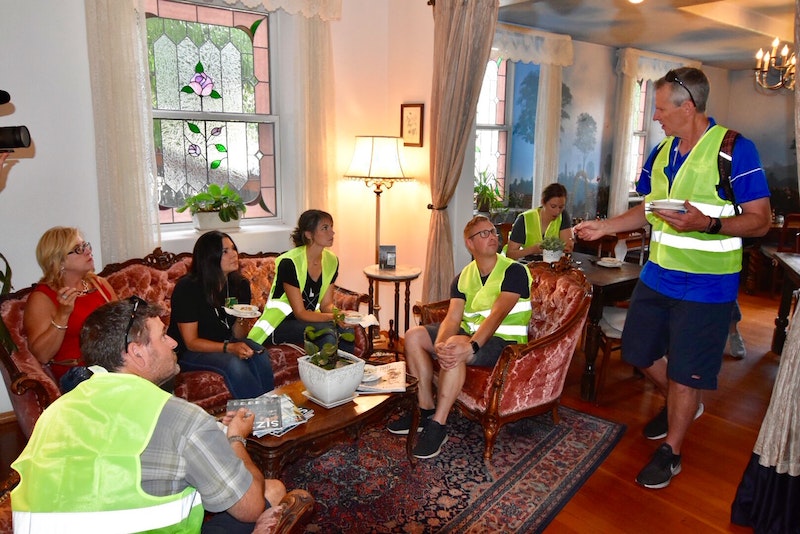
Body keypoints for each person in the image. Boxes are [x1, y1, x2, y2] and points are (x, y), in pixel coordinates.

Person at [574, 67, 771, 489]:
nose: (656, 117)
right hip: (658, 276)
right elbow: (648, 209)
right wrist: (605, 227)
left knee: (685, 373)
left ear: (689, 106)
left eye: (662, 109)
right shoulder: (662, 152)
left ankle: (673, 451)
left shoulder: (736, 149)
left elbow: (760, 221)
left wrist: (709, 224)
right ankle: (684, 403)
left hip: (708, 284)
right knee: (638, 351)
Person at [11, 297, 286, 533]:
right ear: (137, 353)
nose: (174, 343)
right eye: (163, 336)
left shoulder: (55, 410)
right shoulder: (183, 418)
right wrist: (236, 439)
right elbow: (249, 508)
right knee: (271, 492)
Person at [387, 215, 532, 459]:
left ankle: (439, 425)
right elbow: (453, 319)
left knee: (456, 346)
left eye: (493, 232)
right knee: (413, 336)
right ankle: (425, 409)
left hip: (505, 341)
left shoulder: (514, 271)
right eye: (483, 234)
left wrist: (471, 345)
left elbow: (497, 315)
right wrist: (441, 344)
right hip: (469, 333)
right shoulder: (463, 276)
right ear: (470, 243)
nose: (492, 236)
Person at [168, 230, 274, 399]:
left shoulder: (239, 285)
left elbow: (239, 335)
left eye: (233, 249)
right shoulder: (188, 288)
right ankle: (257, 415)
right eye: (225, 251)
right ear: (209, 257)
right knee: (234, 363)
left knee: (260, 354)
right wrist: (229, 348)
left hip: (226, 342)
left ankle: (272, 407)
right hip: (189, 352)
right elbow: (191, 342)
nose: (234, 255)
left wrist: (242, 316)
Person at [22, 226, 117, 391]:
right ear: (58, 262)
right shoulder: (42, 298)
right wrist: (63, 314)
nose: (88, 251)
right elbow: (42, 355)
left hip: (112, 364)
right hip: (78, 374)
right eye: (78, 249)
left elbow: (121, 327)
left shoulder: (100, 284)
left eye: (86, 245)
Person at [248, 209, 354, 352]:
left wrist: (341, 316)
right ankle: (327, 374)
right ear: (308, 234)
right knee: (327, 332)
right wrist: (333, 317)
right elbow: (300, 313)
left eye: (331, 227)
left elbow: (326, 304)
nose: (332, 233)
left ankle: (347, 372)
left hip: (307, 320)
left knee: (347, 331)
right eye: (325, 228)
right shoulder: (289, 262)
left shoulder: (331, 260)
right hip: (279, 323)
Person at [504, 182, 574, 259]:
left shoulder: (563, 216)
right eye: (553, 206)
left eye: (561, 207)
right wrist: (532, 250)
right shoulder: (524, 219)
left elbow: (568, 247)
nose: (557, 211)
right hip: (527, 265)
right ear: (543, 202)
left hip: (553, 265)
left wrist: (567, 247)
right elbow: (510, 254)